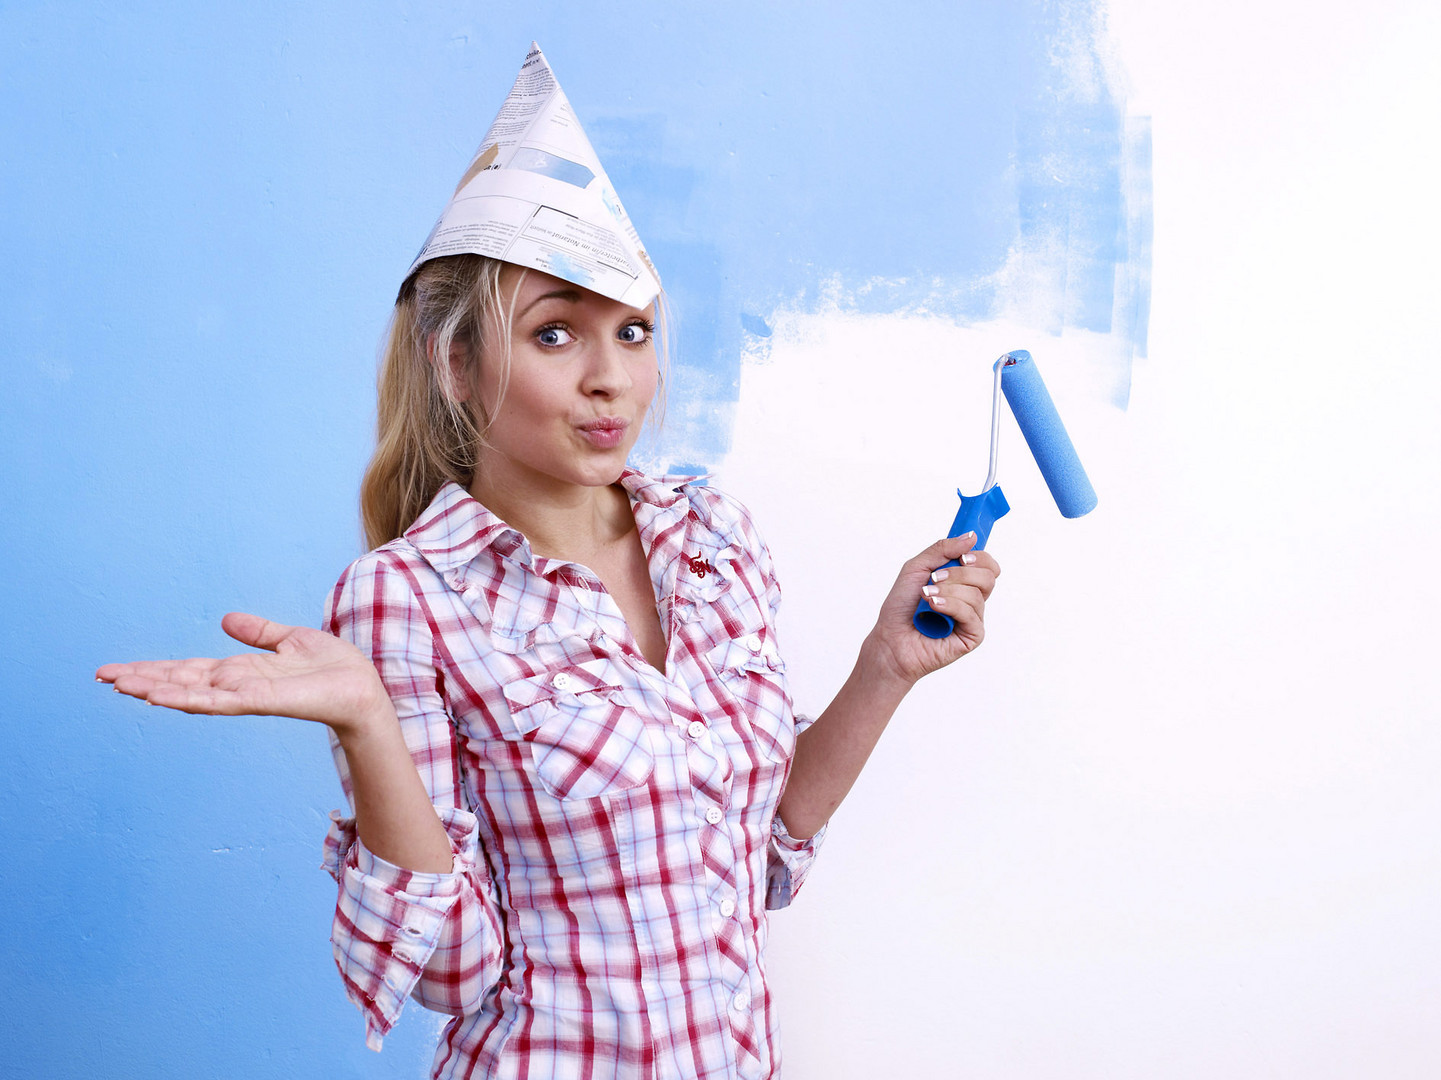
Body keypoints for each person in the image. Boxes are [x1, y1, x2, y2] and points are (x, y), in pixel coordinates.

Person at [97, 44, 999, 1080]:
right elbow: (454, 974)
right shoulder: (404, 599)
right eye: (557, 333)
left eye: (633, 332)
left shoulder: (713, 538)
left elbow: (755, 857)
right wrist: (369, 724)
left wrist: (884, 664)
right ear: (459, 362)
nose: (612, 379)